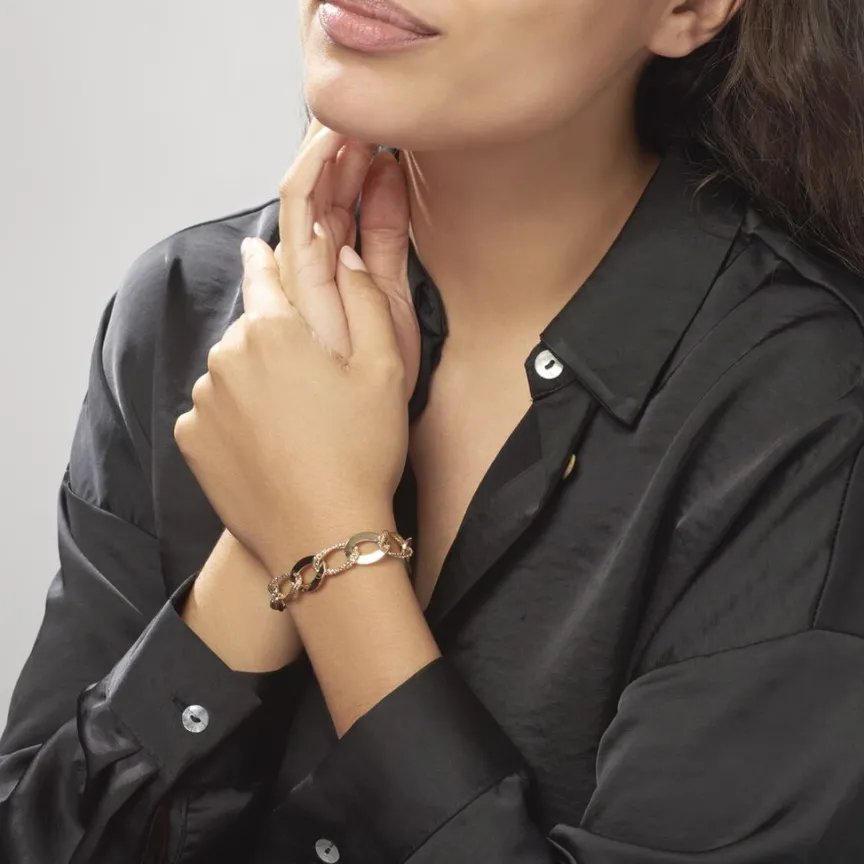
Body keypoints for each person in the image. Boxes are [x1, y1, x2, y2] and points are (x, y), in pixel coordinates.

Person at [4, 0, 864, 860]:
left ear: (687, 9)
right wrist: (248, 564)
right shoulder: (184, 313)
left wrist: (324, 541)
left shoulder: (809, 409)